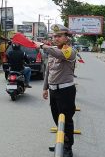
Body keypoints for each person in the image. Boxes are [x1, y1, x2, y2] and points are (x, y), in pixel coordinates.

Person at [40, 24, 77, 157]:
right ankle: (61, 141)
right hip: (53, 91)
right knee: (57, 119)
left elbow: (60, 54)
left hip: (66, 91)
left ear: (67, 38)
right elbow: (48, 72)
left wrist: (45, 47)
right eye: (54, 36)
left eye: (59, 36)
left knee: (66, 120)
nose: (56, 38)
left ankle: (68, 147)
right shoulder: (53, 51)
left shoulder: (70, 51)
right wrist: (45, 88)